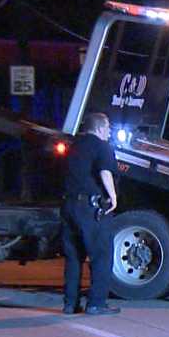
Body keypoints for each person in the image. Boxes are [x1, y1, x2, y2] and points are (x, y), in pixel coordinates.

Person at [61, 112, 120, 316]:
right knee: (101, 255)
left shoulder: (74, 146)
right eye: (108, 128)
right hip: (91, 208)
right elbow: (105, 171)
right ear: (100, 128)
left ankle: (70, 303)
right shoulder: (101, 146)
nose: (110, 132)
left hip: (68, 206)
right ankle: (96, 303)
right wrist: (113, 196)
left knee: (73, 257)